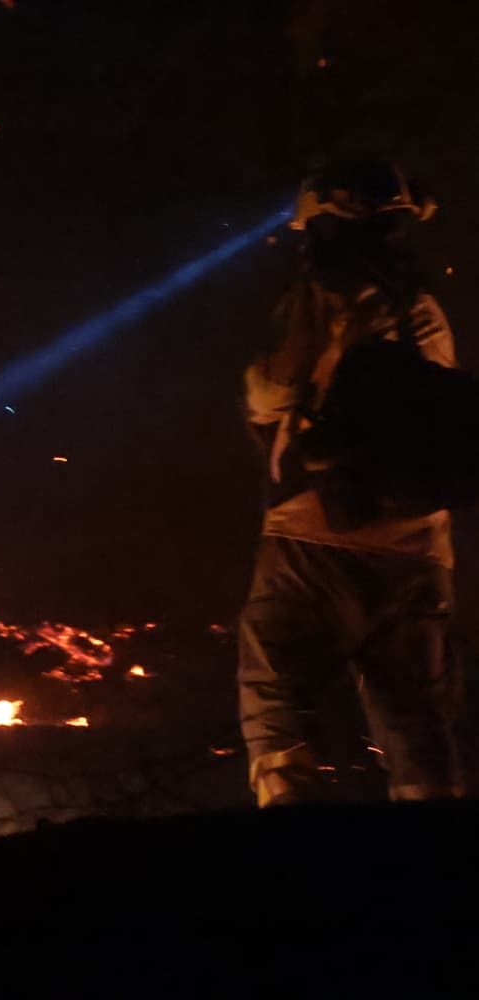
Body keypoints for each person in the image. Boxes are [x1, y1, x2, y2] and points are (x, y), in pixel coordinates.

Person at [238, 158, 464, 807]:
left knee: (275, 693)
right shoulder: (423, 310)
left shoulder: (322, 297)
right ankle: (438, 850)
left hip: (314, 537)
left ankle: (296, 835)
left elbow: (272, 393)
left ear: (324, 223)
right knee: (417, 720)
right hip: (420, 551)